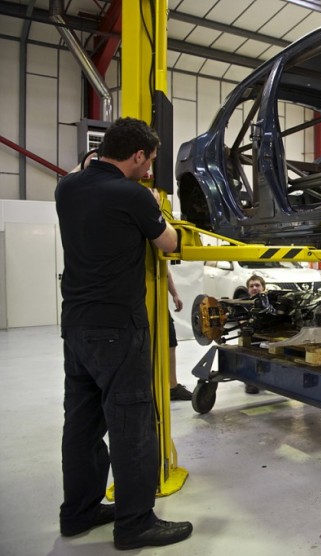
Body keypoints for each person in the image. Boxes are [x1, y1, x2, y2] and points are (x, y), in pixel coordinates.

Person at [55, 117, 193, 550]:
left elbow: (82, 173)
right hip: (117, 328)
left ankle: (78, 513)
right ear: (137, 155)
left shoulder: (66, 188)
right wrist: (155, 206)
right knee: (132, 424)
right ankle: (135, 524)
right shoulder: (131, 195)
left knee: (81, 425)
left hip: (76, 325)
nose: (149, 169)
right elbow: (169, 243)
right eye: (149, 160)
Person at [167, 273, 193, 401]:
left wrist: (175, 294)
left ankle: (172, 387)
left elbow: (165, 271)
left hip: (159, 306)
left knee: (170, 344)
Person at [243, 274, 266, 394]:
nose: (254, 288)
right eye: (251, 286)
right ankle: (251, 380)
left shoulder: (271, 303)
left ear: (263, 288)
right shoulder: (244, 304)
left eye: (257, 285)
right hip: (252, 336)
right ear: (248, 290)